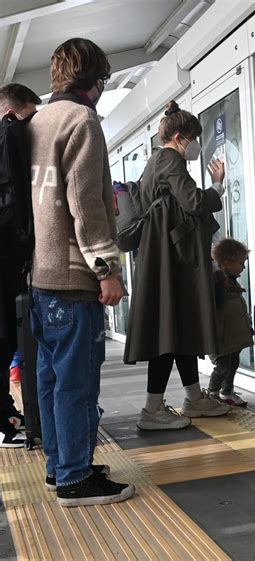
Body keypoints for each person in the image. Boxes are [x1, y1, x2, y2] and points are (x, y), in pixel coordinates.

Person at [27, 38, 135, 506]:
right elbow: (86, 205)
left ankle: (60, 466)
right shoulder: (81, 120)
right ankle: (75, 478)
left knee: (51, 380)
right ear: (95, 79)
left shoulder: (38, 121)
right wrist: (107, 268)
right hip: (73, 277)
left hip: (39, 276)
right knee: (77, 381)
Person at [124, 100, 230, 431]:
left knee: (177, 327)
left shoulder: (154, 161)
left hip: (163, 258)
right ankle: (152, 409)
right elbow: (193, 202)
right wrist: (217, 187)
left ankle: (194, 398)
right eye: (195, 138)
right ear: (182, 137)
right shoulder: (170, 158)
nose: (197, 145)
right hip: (171, 261)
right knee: (170, 330)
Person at [0, 83, 41, 447]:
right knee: (4, 340)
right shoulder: (9, 133)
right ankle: (4, 420)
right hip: (6, 261)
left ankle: (6, 414)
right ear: (13, 111)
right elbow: (18, 202)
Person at [208, 238, 253, 406]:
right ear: (226, 263)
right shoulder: (219, 283)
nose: (243, 267)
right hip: (223, 335)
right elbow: (219, 306)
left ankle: (227, 391)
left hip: (231, 335)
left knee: (232, 364)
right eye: (241, 263)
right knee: (223, 366)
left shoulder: (231, 282)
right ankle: (212, 392)